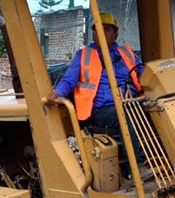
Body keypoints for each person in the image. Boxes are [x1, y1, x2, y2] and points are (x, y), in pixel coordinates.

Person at [43, 12, 145, 177]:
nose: (101, 34)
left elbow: (145, 74)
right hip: (101, 111)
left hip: (131, 102)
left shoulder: (126, 53)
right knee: (125, 114)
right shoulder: (84, 55)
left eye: (106, 29)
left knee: (158, 106)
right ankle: (137, 168)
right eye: (97, 30)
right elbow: (69, 80)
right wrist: (56, 93)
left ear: (115, 34)